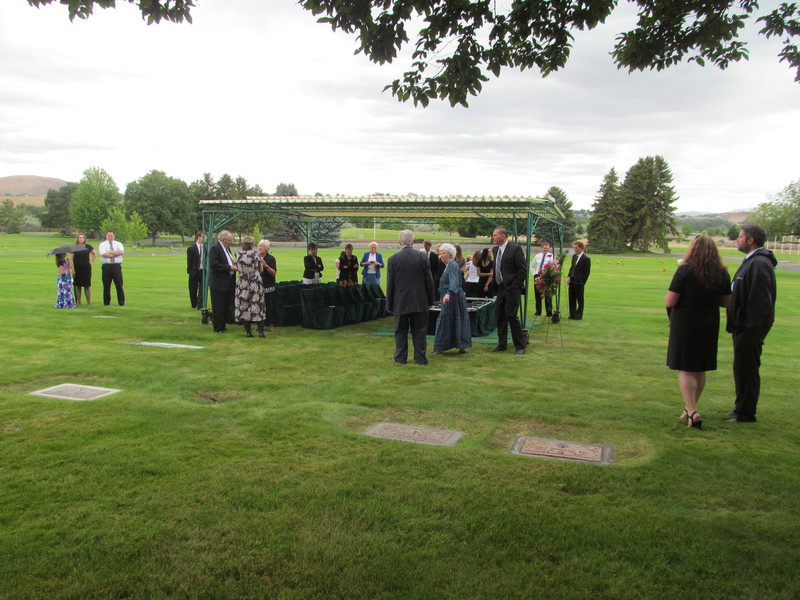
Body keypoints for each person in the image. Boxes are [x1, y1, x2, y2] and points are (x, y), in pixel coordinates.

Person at [665, 235, 732, 429]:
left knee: (685, 367)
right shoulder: (721, 272)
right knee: (700, 367)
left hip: (686, 322)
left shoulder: (685, 270)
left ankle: (692, 410)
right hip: (708, 322)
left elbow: (670, 301)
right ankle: (689, 408)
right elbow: (727, 302)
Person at [726, 224, 778, 423]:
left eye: (740, 237)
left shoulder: (759, 264)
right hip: (743, 326)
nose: (737, 240)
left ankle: (746, 414)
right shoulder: (751, 262)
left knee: (747, 368)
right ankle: (740, 407)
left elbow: (761, 301)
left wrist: (749, 325)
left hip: (749, 328)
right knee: (741, 367)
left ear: (750, 240)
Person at [386, 230, 434, 365]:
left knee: (400, 331)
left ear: (399, 242)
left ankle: (401, 358)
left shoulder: (393, 260)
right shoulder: (423, 258)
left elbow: (390, 285)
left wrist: (389, 304)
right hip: (419, 301)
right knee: (419, 331)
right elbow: (429, 282)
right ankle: (420, 358)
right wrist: (430, 301)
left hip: (400, 301)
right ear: (413, 242)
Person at [491, 228, 527, 355]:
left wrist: (516, 284)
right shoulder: (495, 250)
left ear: (503, 236)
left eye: (495, 235)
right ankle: (502, 344)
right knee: (500, 316)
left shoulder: (515, 249)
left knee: (511, 316)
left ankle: (520, 346)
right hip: (500, 288)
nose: (493, 237)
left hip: (512, 288)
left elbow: (522, 269)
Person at [433, 243, 472, 355]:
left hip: (453, 297)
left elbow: (454, 281)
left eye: (443, 253)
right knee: (454, 320)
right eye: (440, 254)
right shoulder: (448, 266)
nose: (441, 256)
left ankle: (442, 347)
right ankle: (457, 346)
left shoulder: (453, 265)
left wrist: (448, 294)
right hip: (450, 296)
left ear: (450, 254)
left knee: (449, 320)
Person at [235, 236, 265, 338]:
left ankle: (248, 333)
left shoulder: (238, 254)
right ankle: (261, 332)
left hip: (243, 282)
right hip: (255, 282)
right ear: (252, 244)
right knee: (258, 305)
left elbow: (238, 268)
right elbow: (261, 269)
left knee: (244, 306)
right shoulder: (256, 254)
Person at [209, 230, 237, 333]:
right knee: (218, 305)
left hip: (228, 281)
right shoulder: (215, 248)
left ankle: (223, 324)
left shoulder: (227, 248)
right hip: (219, 282)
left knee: (226, 305)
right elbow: (214, 264)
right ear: (223, 240)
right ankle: (218, 327)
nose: (231, 242)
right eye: (230, 240)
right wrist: (229, 267)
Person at [97, 230, 125, 306]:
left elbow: (121, 252)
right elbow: (103, 254)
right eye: (109, 236)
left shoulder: (118, 244)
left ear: (114, 236)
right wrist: (115, 253)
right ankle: (106, 303)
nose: (110, 237)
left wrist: (110, 252)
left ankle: (121, 302)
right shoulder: (102, 244)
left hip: (116, 266)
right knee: (106, 285)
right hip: (107, 266)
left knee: (119, 285)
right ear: (106, 236)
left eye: (111, 236)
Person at [567, 241, 591, 320]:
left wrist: (582, 282)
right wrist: (569, 277)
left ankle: (579, 315)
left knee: (580, 300)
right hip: (572, 281)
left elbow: (586, 273)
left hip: (579, 282)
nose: (575, 249)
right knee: (571, 298)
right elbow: (572, 268)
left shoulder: (586, 259)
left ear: (581, 248)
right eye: (574, 248)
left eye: (576, 248)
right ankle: (572, 314)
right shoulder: (574, 257)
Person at [530, 242, 555, 317]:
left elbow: (553, 266)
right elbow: (531, 266)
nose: (546, 250)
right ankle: (538, 311)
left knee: (547, 294)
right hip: (538, 276)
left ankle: (549, 312)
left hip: (547, 276)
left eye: (547, 248)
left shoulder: (551, 256)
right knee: (537, 294)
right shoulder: (537, 256)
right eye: (545, 248)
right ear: (541, 248)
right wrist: (535, 274)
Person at [258, 239, 277, 333]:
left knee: (269, 306)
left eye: (262, 246)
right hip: (258, 285)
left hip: (268, 285)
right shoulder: (256, 257)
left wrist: (266, 266)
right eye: (259, 246)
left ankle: (271, 325)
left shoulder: (271, 258)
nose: (260, 248)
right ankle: (259, 324)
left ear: (267, 248)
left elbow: (273, 273)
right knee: (258, 305)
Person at [71, 233, 96, 306]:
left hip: (86, 268)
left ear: (84, 239)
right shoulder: (74, 247)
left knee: (87, 285)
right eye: (79, 237)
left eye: (82, 237)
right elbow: (71, 259)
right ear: (77, 239)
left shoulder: (88, 246)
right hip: (77, 268)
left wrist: (91, 261)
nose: (81, 239)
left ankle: (88, 302)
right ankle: (78, 302)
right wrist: (72, 269)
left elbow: (94, 254)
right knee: (78, 285)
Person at [186, 232, 203, 309]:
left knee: (202, 289)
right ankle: (194, 304)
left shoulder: (205, 248)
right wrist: (190, 272)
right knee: (193, 289)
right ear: (199, 237)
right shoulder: (191, 248)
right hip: (194, 271)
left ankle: (200, 304)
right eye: (203, 236)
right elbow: (189, 261)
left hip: (202, 271)